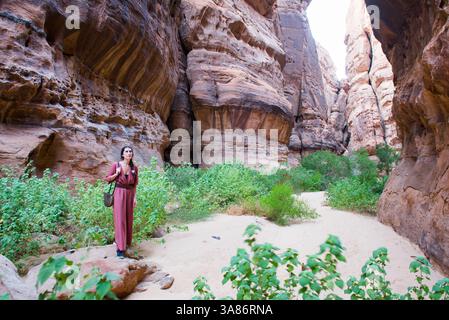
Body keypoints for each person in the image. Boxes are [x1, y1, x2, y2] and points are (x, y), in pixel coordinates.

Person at [105, 146, 139, 258]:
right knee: (120, 219)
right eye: (126, 151)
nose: (129, 153)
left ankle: (127, 244)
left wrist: (134, 198)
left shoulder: (134, 167)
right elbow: (107, 179)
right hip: (119, 193)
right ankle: (120, 249)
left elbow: (134, 185)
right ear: (122, 154)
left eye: (130, 151)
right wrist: (116, 173)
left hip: (129, 194)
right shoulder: (116, 165)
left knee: (128, 219)